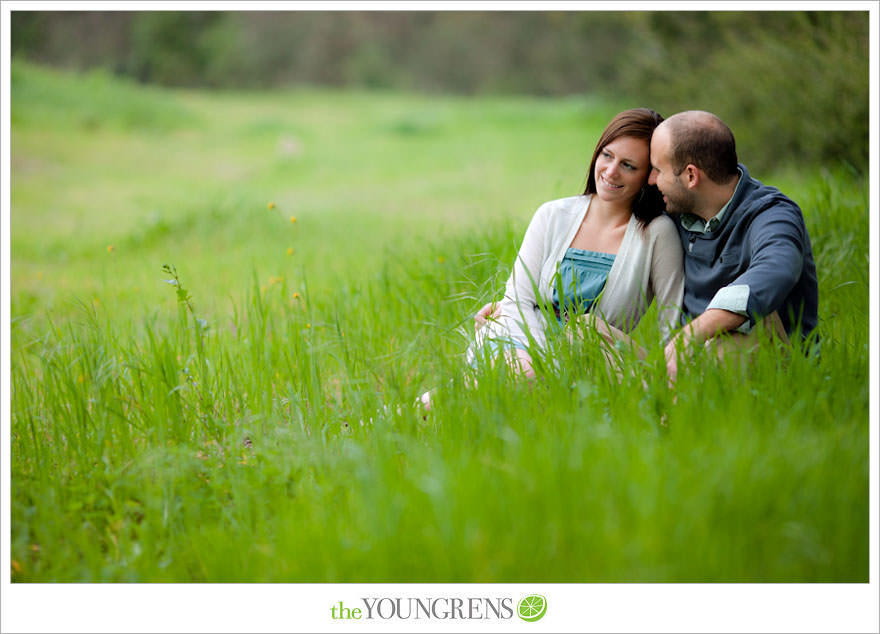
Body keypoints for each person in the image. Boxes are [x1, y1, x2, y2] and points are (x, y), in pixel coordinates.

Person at [420, 108, 685, 409]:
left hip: (591, 356)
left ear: (649, 176)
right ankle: (400, 420)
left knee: (505, 390)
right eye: (607, 156)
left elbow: (672, 324)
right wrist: (543, 359)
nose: (611, 171)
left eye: (628, 165)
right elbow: (516, 300)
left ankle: (401, 417)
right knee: (524, 376)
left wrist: (664, 376)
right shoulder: (553, 214)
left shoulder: (657, 234)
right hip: (518, 337)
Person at [647, 110, 819, 381]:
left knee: (734, 339)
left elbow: (778, 268)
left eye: (658, 170)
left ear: (691, 176)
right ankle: (654, 401)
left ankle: (679, 409)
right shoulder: (675, 209)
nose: (651, 181)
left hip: (768, 362)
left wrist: (693, 334)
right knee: (586, 329)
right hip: (682, 358)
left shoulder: (772, 213)